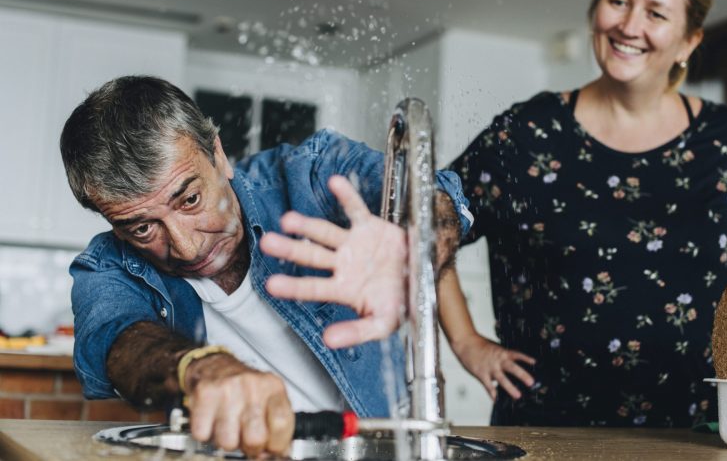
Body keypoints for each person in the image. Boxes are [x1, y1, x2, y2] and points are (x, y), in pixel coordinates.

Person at [439, 0, 727, 427]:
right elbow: (427, 220)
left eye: (655, 13)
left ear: (688, 41)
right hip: (548, 435)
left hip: (695, 439)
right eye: (618, 1)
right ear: (595, 9)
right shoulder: (526, 135)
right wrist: (465, 341)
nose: (630, 25)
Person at [59, 76, 472, 456]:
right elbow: (120, 344)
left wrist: (412, 254)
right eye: (143, 227)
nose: (185, 248)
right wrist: (198, 367)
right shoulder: (106, 266)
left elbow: (435, 199)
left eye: (189, 200)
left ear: (218, 156)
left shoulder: (311, 172)